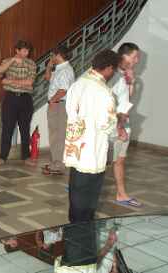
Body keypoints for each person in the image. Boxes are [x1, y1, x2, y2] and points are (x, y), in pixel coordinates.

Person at [64, 49, 121, 224]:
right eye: (114, 70)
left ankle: (74, 223)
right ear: (109, 68)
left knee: (75, 189)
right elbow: (108, 125)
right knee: (89, 195)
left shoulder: (78, 84)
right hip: (93, 150)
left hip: (76, 146)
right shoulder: (104, 91)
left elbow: (69, 110)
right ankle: (84, 225)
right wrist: (117, 129)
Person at [109, 42, 141, 207]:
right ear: (125, 55)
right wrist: (118, 126)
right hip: (114, 124)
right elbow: (109, 101)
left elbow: (127, 98)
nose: (136, 60)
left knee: (120, 160)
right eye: (134, 56)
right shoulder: (112, 73)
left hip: (123, 122)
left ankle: (121, 194)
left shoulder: (125, 74)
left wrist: (132, 82)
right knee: (100, 160)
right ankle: (78, 187)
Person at [0, 40, 37, 166]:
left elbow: (29, 82)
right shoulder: (7, 61)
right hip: (10, 99)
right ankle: (2, 157)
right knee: (7, 128)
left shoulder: (31, 63)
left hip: (25, 99)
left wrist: (10, 81)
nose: (26, 53)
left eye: (27, 50)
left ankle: (26, 157)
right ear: (17, 50)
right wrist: (13, 61)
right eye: (23, 50)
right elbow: (0, 72)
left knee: (25, 129)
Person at [42, 45, 75, 175]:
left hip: (59, 105)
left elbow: (63, 90)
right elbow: (48, 78)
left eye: (52, 55)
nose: (51, 57)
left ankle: (58, 164)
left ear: (58, 55)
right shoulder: (60, 69)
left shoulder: (66, 70)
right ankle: (55, 162)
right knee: (54, 134)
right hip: (57, 103)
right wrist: (49, 67)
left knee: (59, 135)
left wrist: (52, 101)